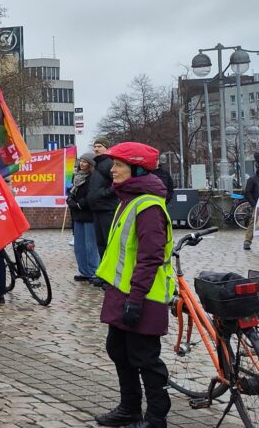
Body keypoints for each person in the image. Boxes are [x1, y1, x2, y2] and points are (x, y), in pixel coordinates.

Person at [93, 142, 172, 428]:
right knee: (118, 350)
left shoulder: (148, 206)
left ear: (136, 169)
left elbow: (150, 257)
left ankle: (156, 417)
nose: (112, 170)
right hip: (122, 292)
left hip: (142, 295)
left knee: (145, 358)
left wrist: (135, 298)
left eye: (119, 165)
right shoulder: (129, 199)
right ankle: (129, 409)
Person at [68, 152, 100, 283]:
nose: (82, 164)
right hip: (77, 215)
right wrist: (70, 201)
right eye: (81, 161)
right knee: (79, 246)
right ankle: (83, 271)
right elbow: (71, 192)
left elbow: (92, 195)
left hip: (89, 215)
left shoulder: (93, 178)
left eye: (85, 161)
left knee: (90, 245)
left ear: (91, 164)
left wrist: (81, 204)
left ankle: (94, 272)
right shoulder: (76, 177)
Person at [88, 138, 119, 258]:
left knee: (108, 242)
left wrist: (104, 193)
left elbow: (117, 182)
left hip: (107, 208)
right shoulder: (98, 164)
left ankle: (110, 273)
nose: (96, 149)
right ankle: (103, 273)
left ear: (107, 148)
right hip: (97, 208)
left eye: (99, 146)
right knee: (100, 243)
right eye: (95, 146)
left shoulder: (109, 163)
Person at [244, 169, 258, 251]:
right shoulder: (252, 179)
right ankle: (247, 241)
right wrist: (254, 204)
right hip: (257, 204)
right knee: (253, 221)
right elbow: (247, 193)